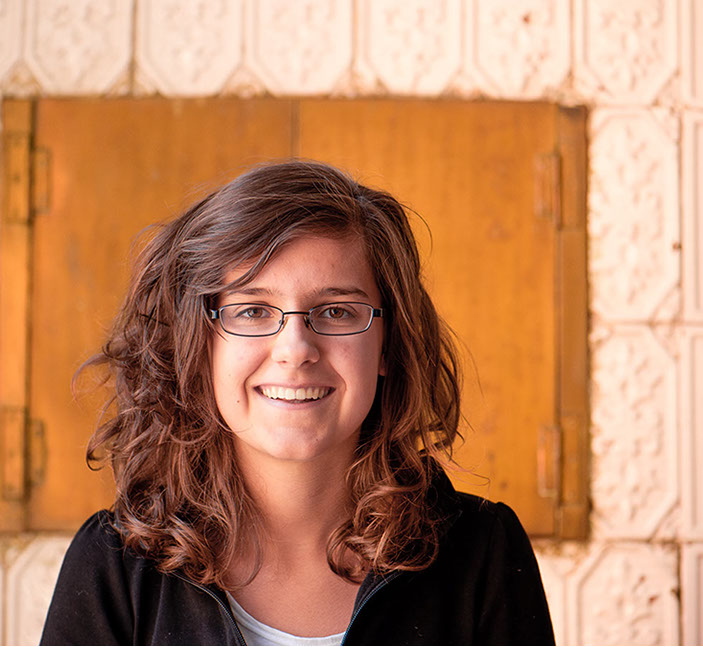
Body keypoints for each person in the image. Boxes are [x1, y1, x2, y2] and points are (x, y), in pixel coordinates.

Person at [40, 160, 555, 645]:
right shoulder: (114, 564)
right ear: (201, 345)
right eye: (252, 310)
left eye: (336, 311)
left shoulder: (482, 553)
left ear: (387, 345)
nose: (296, 349)